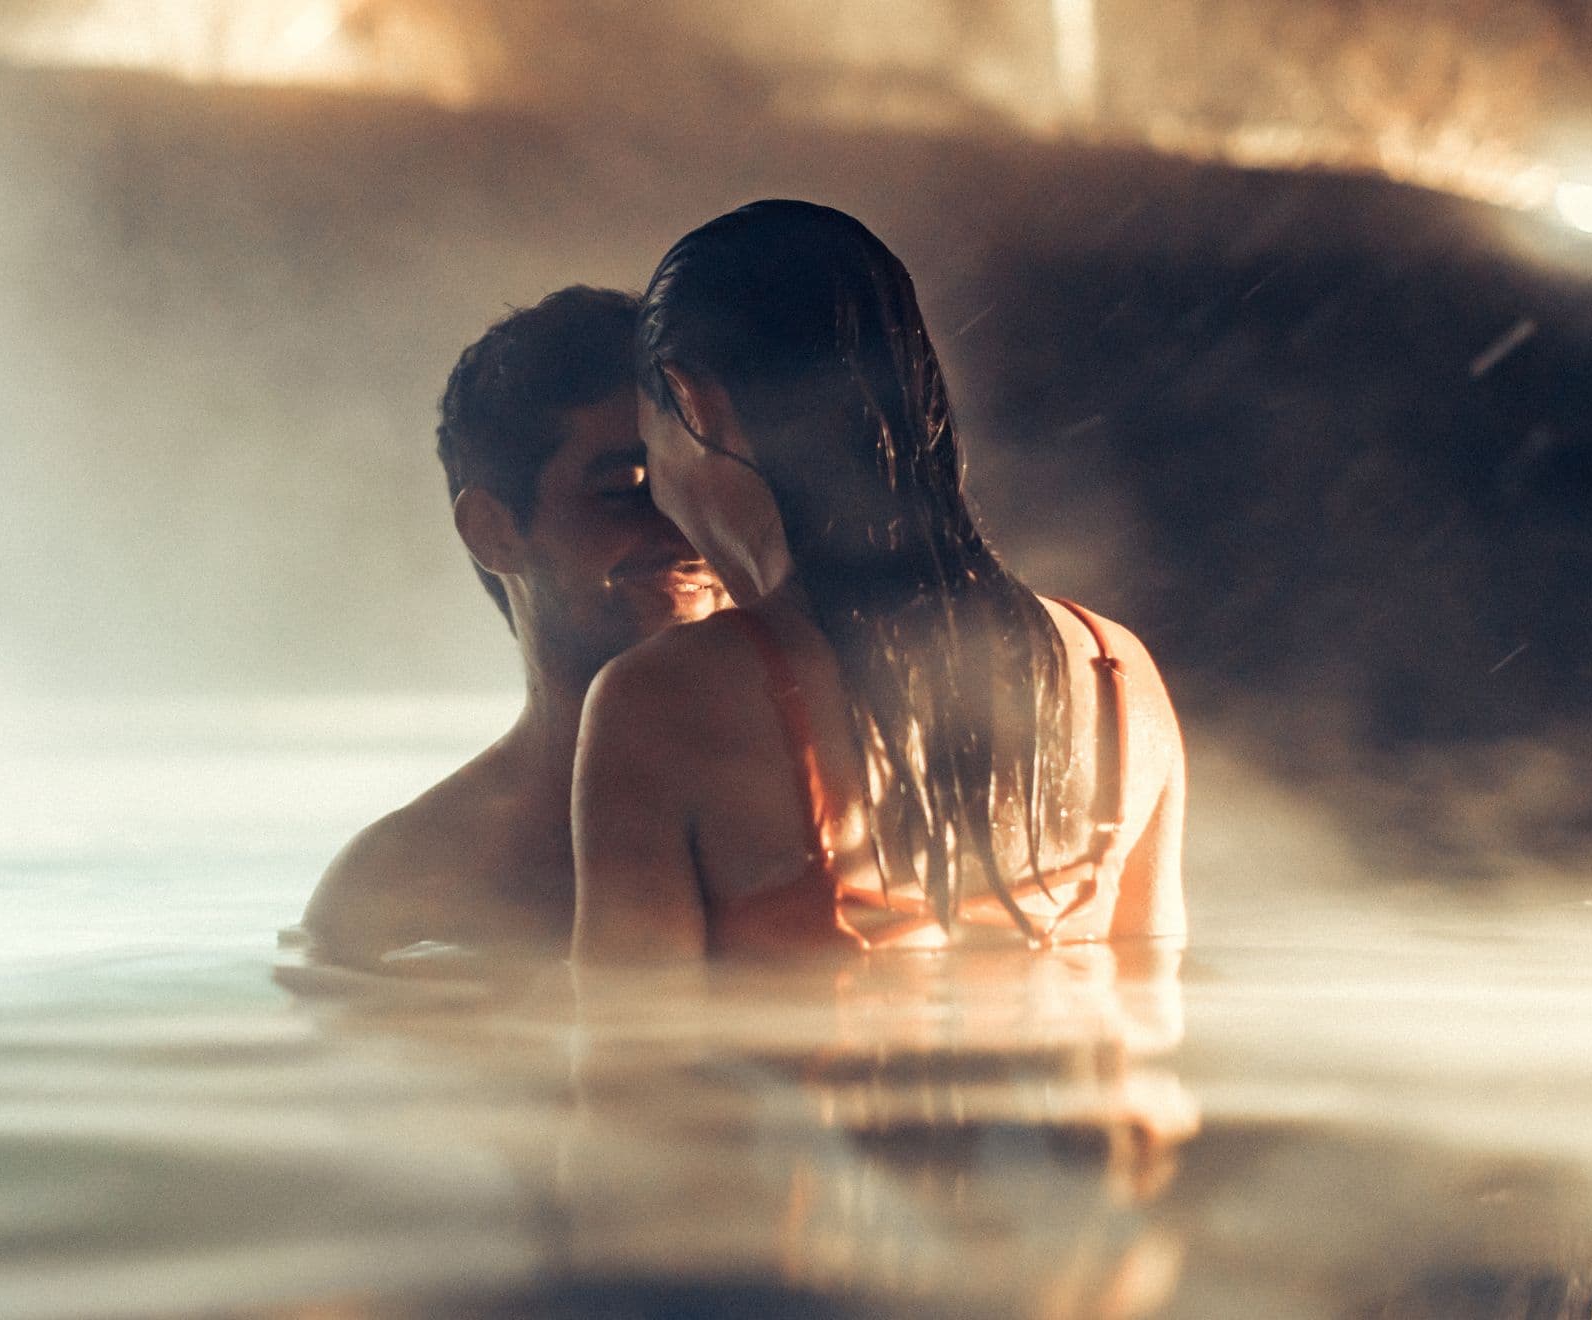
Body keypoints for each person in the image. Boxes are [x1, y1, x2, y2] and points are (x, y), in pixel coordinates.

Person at [572, 201, 1186, 962]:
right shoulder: (1119, 676)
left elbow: (627, 1059)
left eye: (647, 442)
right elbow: (1152, 1014)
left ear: (693, 402)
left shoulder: (663, 703)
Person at [300, 287, 731, 969]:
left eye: (701, 490)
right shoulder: (403, 890)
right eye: (624, 491)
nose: (685, 533)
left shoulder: (854, 808)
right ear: (493, 532)